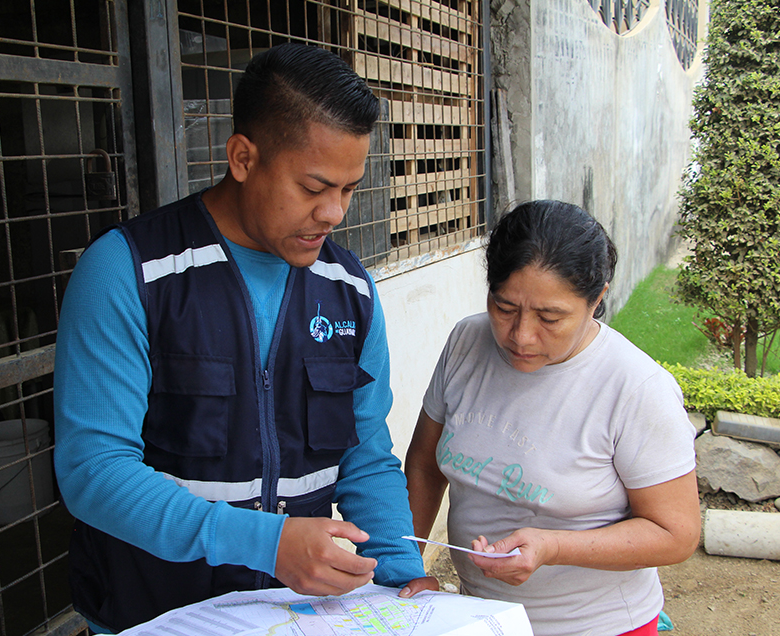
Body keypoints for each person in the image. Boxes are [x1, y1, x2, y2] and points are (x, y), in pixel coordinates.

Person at [54, 43, 437, 634]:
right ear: (242, 158)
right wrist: (266, 543)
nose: (334, 213)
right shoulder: (131, 271)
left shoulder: (349, 290)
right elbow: (94, 471)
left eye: (348, 189)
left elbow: (364, 454)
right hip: (154, 616)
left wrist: (402, 575)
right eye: (313, 187)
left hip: (295, 618)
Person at [404, 200, 700, 636]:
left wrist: (553, 546)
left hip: (598, 626)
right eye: (505, 308)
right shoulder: (468, 342)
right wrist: (406, 564)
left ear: (596, 299)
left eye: (550, 317)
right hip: (478, 617)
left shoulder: (636, 388)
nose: (522, 336)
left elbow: (676, 534)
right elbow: (425, 465)